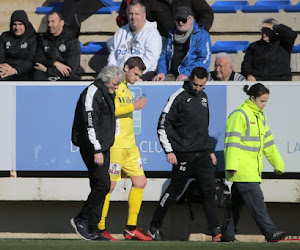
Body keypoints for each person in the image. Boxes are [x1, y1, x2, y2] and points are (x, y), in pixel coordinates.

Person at [147, 67, 222, 242]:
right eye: (195, 84)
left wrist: (210, 150)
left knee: (210, 191)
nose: (197, 88)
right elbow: (162, 125)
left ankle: (216, 231)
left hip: (202, 154)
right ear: (190, 80)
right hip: (184, 155)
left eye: (201, 85)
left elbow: (204, 128)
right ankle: (154, 227)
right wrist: (169, 151)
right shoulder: (178, 96)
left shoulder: (204, 97)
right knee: (174, 191)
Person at [222, 83, 287, 242]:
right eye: (262, 101)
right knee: (258, 204)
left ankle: (227, 234)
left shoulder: (259, 116)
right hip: (243, 170)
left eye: (266, 101)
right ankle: (270, 233)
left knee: (236, 206)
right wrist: (231, 166)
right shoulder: (240, 115)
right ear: (252, 98)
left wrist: (278, 165)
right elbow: (232, 142)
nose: (264, 105)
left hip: (249, 169)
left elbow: (268, 144)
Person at [98, 57, 152, 241]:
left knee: (140, 182)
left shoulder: (127, 89)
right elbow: (109, 109)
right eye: (135, 74)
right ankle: (100, 226)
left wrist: (132, 104)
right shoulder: (114, 85)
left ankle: (131, 228)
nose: (137, 78)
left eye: (139, 75)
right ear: (126, 68)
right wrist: (133, 106)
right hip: (116, 146)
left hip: (130, 146)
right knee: (110, 185)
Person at [70, 65, 124, 241]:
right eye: (115, 84)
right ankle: (82, 218)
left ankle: (94, 228)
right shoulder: (92, 93)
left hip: (103, 146)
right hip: (93, 148)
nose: (116, 87)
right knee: (103, 185)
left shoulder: (107, 93)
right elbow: (89, 124)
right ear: (106, 79)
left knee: (100, 186)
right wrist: (97, 149)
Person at [152, 6, 211, 82]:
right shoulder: (172, 34)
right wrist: (161, 72)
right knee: (158, 82)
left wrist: (187, 74)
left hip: (192, 75)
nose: (180, 23)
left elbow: (204, 59)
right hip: (172, 75)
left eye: (183, 20)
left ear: (191, 20)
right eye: (178, 20)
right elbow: (164, 56)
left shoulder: (202, 35)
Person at [107, 0, 162, 81]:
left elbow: (151, 61)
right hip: (119, 77)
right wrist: (114, 74)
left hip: (142, 77)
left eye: (137, 14)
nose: (133, 17)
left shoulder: (152, 34)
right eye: (130, 14)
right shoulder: (121, 32)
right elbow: (113, 56)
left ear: (144, 15)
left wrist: (133, 74)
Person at [116, 0, 214, 40]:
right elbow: (144, 22)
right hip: (163, 40)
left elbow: (206, 13)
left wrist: (198, 33)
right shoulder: (148, 1)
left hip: (190, 38)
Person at [33, 11, 81, 81]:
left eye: (53, 21)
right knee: (36, 74)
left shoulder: (72, 41)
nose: (49, 24)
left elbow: (69, 71)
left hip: (66, 78)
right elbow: (38, 59)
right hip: (48, 74)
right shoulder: (43, 39)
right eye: (48, 22)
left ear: (61, 23)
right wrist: (55, 63)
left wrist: (47, 70)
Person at [0, 10, 37, 80]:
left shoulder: (32, 37)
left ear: (25, 25)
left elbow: (31, 60)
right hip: (6, 70)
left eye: (20, 24)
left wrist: (15, 70)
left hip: (24, 72)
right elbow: (1, 56)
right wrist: (3, 68)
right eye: (14, 24)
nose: (17, 27)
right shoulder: (4, 37)